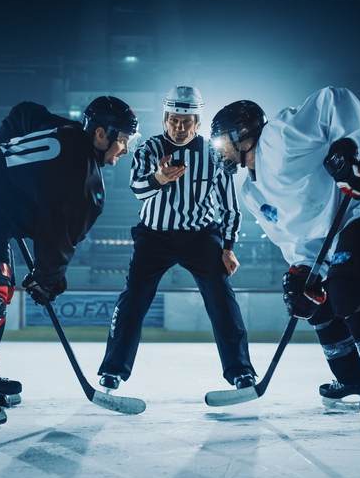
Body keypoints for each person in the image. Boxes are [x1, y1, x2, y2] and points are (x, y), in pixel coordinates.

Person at [209, 86, 360, 430]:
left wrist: (347, 148)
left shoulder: (278, 137)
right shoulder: (250, 190)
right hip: (337, 229)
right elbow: (294, 235)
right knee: (316, 300)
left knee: (350, 290)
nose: (220, 150)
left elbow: (333, 100)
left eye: (222, 141)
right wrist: (304, 270)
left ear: (241, 133)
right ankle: (353, 377)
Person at [0, 97, 139, 425]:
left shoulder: (66, 130)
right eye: (124, 140)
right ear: (101, 134)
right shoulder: (84, 177)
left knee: (1, 289)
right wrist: (49, 278)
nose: (125, 149)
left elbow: (24, 112)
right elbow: (57, 237)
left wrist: (3, 145)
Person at [96, 86, 255, 391]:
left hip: (201, 237)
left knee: (222, 300)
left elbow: (229, 206)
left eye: (187, 121)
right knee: (133, 301)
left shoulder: (214, 153)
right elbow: (137, 191)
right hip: (154, 236)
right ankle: (113, 370)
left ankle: (240, 371)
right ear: (165, 118)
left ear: (197, 122)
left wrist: (228, 247)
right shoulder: (148, 149)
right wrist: (159, 178)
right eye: (173, 120)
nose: (179, 127)